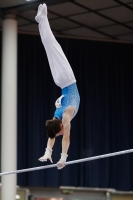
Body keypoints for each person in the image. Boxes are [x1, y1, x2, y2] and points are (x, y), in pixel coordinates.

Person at [35, 3, 80, 169]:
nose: (61, 134)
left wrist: (63, 158)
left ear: (61, 125)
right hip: (60, 81)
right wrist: (48, 152)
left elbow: (66, 138)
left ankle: (42, 19)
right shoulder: (56, 118)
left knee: (52, 45)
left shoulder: (66, 116)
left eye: (60, 131)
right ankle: (41, 19)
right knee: (49, 47)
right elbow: (53, 134)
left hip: (66, 78)